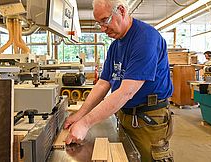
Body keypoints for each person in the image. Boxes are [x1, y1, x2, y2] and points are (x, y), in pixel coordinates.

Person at [64, 0, 174, 161]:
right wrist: (80, 115)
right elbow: (103, 83)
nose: (102, 28)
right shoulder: (116, 46)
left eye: (105, 20)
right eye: (98, 23)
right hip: (126, 114)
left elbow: (126, 91)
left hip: (148, 119)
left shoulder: (145, 38)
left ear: (121, 11)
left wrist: (86, 123)